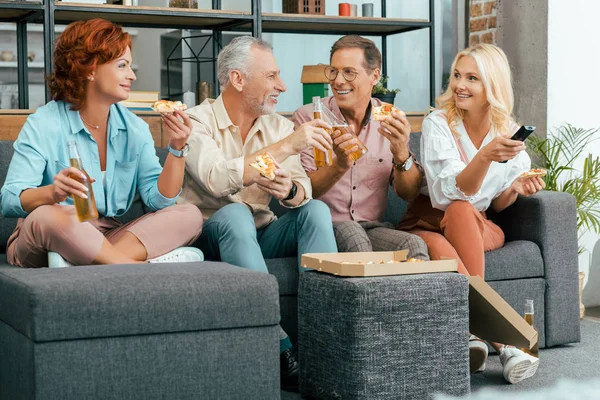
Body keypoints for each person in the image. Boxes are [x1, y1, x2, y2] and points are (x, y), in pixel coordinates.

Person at [176, 36, 338, 392]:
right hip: (210, 234)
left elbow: (302, 187)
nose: (281, 86)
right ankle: (279, 347)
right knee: (235, 214)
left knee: (316, 211)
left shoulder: (277, 126)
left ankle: (328, 340)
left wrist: (291, 190)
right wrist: (289, 146)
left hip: (261, 233)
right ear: (238, 79)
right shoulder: (196, 122)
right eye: (272, 76)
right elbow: (218, 179)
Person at [0, 19, 203, 268]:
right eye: (122, 65)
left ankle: (84, 263)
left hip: (105, 234)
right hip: (47, 236)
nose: (132, 75)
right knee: (50, 215)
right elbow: (9, 200)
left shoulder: (135, 129)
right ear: (90, 69)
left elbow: (157, 201)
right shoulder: (44, 122)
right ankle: (140, 268)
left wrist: (177, 147)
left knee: (189, 215)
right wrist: (52, 192)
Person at [407, 43, 543, 384]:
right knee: (444, 238)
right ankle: (502, 342)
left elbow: (496, 204)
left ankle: (481, 336)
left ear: (492, 87)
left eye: (472, 78)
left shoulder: (507, 136)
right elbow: (445, 193)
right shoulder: (439, 124)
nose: (459, 85)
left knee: (464, 211)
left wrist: (516, 189)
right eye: (457, 75)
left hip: (475, 223)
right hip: (428, 221)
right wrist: (484, 157)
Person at [292, 35, 428, 260]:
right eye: (333, 71)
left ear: (374, 76)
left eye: (349, 72)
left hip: (373, 228)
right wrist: (339, 165)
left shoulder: (389, 119)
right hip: (327, 227)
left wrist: (402, 152)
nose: (338, 81)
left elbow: (409, 193)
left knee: (413, 245)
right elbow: (305, 191)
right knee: (354, 238)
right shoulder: (309, 117)